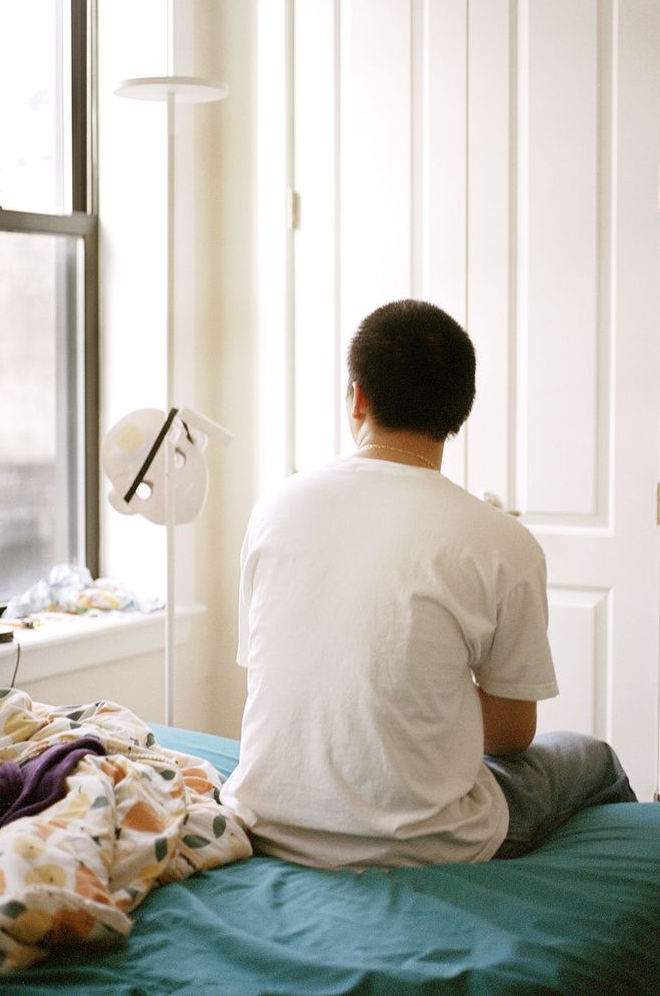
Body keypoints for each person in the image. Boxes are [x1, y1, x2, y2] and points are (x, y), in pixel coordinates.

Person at [220, 299, 636, 868]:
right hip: (426, 843)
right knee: (594, 758)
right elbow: (511, 737)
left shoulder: (275, 507)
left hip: (264, 820)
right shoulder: (502, 544)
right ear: (459, 410)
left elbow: (272, 670)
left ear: (358, 396)